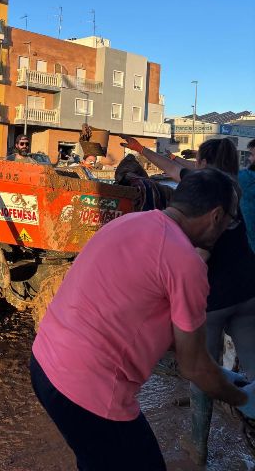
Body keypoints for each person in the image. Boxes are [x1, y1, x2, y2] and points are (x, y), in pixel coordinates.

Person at [31, 169, 255, 471]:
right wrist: (242, 399)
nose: (227, 227)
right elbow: (193, 367)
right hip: (90, 390)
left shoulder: (131, 221)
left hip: (45, 365)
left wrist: (220, 373)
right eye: (230, 221)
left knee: (97, 459)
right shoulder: (186, 263)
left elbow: (160, 326)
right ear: (216, 216)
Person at [121, 135, 255, 463]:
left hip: (213, 301)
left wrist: (140, 150)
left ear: (205, 163)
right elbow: (175, 166)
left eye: (198, 161)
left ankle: (198, 445)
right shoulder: (242, 184)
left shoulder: (203, 189)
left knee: (202, 371)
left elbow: (171, 166)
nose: (193, 165)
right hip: (249, 291)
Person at [239, 138, 255, 252]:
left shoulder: (247, 178)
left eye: (252, 154)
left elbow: (214, 174)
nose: (249, 158)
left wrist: (173, 159)